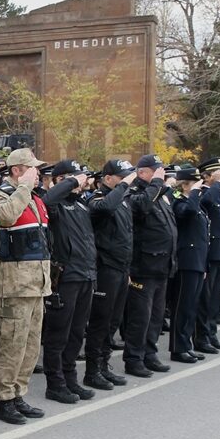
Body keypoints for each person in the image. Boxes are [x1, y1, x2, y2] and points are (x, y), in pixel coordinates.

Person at [0, 148, 50, 422]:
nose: (38, 174)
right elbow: (4, 217)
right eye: (33, 168)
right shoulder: (2, 195)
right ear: (17, 170)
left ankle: (18, 393)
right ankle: (4, 399)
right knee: (12, 344)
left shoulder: (35, 198)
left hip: (36, 285)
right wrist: (23, 189)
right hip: (14, 286)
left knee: (30, 345)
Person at [39, 160, 98, 404]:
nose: (80, 182)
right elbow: (48, 200)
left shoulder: (82, 205)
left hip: (85, 275)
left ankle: (70, 378)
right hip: (65, 277)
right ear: (60, 180)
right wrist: (71, 181)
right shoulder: (55, 205)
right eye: (73, 178)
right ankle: (55, 384)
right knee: (58, 333)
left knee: (76, 332)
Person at [83, 159, 137, 391]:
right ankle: (92, 371)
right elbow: (104, 208)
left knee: (113, 321)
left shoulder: (122, 199)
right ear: (107, 178)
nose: (127, 180)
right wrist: (124, 186)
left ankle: (104, 365)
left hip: (121, 268)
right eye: (121, 177)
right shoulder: (98, 198)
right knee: (100, 321)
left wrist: (128, 269)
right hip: (105, 268)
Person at [121, 156, 177, 377]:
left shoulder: (159, 193)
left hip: (161, 264)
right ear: (142, 173)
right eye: (156, 171)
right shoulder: (134, 192)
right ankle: (134, 358)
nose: (161, 174)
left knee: (155, 315)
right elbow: (142, 206)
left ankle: (150, 354)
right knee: (140, 316)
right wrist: (157, 184)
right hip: (143, 266)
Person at [168, 166, 209, 364]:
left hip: (197, 261)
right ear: (185, 185)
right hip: (186, 261)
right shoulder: (179, 203)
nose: (199, 188)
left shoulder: (195, 203)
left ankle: (186, 345)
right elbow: (189, 213)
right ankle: (178, 348)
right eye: (195, 184)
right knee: (182, 307)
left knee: (191, 306)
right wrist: (193, 193)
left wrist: (204, 265)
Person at [194, 157, 220, 353]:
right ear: (207, 177)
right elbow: (205, 202)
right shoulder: (203, 193)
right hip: (210, 253)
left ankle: (211, 333)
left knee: (215, 298)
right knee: (205, 299)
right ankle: (201, 337)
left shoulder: (218, 193)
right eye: (217, 174)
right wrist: (216, 184)